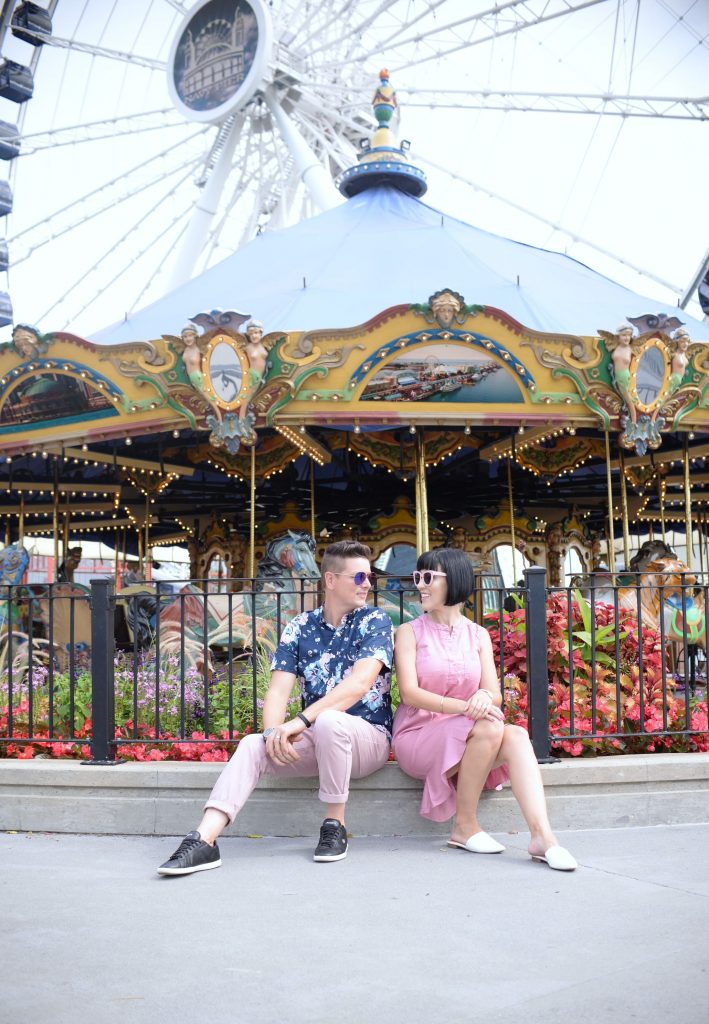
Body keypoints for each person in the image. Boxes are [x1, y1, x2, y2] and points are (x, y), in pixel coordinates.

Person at [158, 540, 394, 876]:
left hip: (368, 739)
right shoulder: (300, 626)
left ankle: (335, 824)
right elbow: (278, 690)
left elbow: (358, 685)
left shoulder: (374, 620)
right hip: (319, 735)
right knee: (252, 744)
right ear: (330, 580)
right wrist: (273, 733)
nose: (367, 584)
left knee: (328, 721)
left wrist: (298, 722)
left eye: (369, 577)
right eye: (359, 578)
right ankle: (204, 839)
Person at [393, 547, 577, 871]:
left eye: (428, 577)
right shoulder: (409, 632)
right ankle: (465, 826)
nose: (420, 585)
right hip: (419, 734)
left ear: (456, 581)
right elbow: (409, 694)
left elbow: (494, 694)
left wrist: (482, 698)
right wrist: (467, 706)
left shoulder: (477, 635)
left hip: (470, 731)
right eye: (417, 577)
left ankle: (543, 837)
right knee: (491, 727)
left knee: (517, 735)